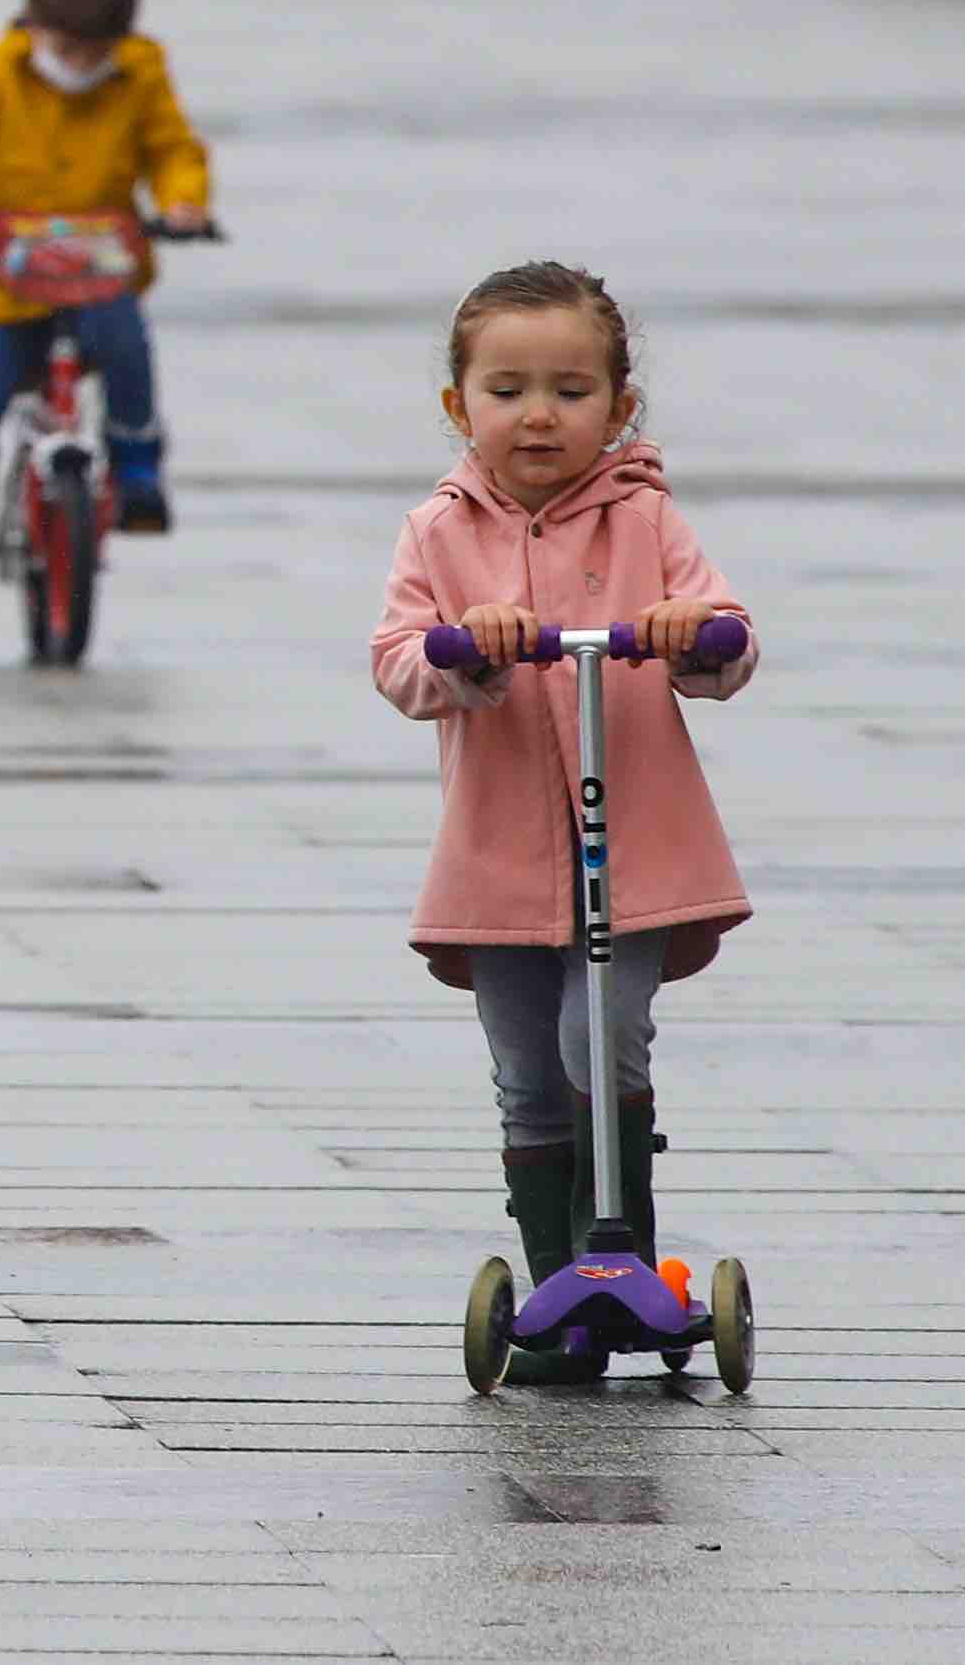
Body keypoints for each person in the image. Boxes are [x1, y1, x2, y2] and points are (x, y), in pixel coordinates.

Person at [367, 263, 758, 1388]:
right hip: (495, 858)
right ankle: (555, 1284)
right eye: (506, 390)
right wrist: (461, 650)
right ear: (459, 408)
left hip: (628, 847)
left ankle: (621, 1256)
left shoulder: (645, 518)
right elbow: (396, 660)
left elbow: (726, 636)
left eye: (570, 391)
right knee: (526, 1073)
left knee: (604, 1032)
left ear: (616, 408)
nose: (537, 414)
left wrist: (693, 633)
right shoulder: (437, 531)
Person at [0, 0, 213, 564]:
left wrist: (184, 201)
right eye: (65, 48)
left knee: (127, 352)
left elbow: (173, 149)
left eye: (93, 52)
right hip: (1, 282)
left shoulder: (139, 76)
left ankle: (136, 467)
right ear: (34, 26)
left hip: (101, 270)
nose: (76, 65)